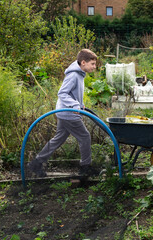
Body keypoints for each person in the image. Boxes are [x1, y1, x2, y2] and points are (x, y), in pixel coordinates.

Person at [27, 49, 99, 178]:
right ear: (83, 62)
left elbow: (71, 94)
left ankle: (36, 163)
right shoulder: (74, 75)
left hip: (66, 112)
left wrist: (79, 104)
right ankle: (85, 168)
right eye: (92, 64)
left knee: (58, 139)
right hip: (68, 114)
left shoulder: (79, 74)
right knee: (85, 137)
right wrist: (74, 105)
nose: (94, 67)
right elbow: (62, 93)